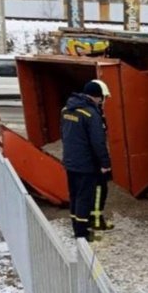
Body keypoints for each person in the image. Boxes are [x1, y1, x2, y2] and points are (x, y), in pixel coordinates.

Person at [60, 79, 112, 240]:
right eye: (101, 98)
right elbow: (98, 142)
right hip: (86, 164)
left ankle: (77, 226)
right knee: (84, 197)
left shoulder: (66, 109)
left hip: (70, 161)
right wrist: (105, 163)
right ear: (97, 97)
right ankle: (81, 233)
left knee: (74, 195)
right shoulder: (91, 113)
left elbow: (64, 134)